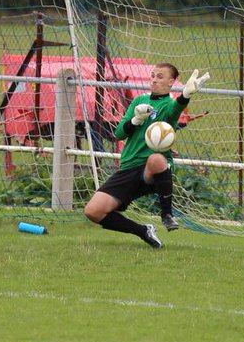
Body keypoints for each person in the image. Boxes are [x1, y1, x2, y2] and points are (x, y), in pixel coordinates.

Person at [83, 63, 211, 248]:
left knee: (157, 159)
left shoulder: (168, 105)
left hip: (151, 170)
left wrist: (186, 95)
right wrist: (136, 120)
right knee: (93, 211)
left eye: (160, 76)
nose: (154, 79)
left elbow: (176, 109)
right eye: (152, 76)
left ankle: (167, 215)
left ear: (171, 82)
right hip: (128, 168)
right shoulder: (139, 102)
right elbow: (119, 134)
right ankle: (143, 231)